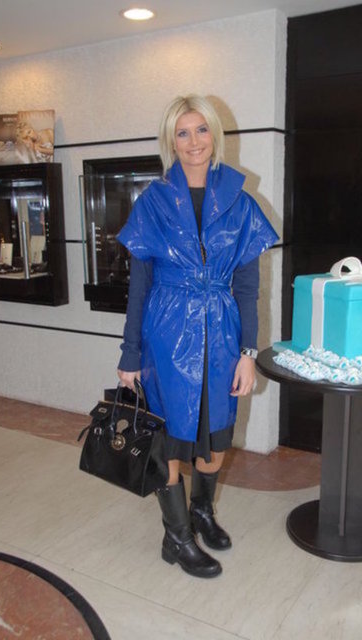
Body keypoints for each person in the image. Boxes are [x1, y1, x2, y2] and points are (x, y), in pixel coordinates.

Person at [117, 94, 278, 578]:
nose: (193, 142)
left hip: (223, 334)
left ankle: (202, 511)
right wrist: (130, 353)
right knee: (166, 439)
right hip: (165, 336)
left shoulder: (240, 201)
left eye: (201, 129)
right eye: (182, 132)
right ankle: (177, 535)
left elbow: (248, 287)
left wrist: (248, 352)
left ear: (215, 134)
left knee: (217, 435)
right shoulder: (152, 202)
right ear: (171, 140)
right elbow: (139, 286)